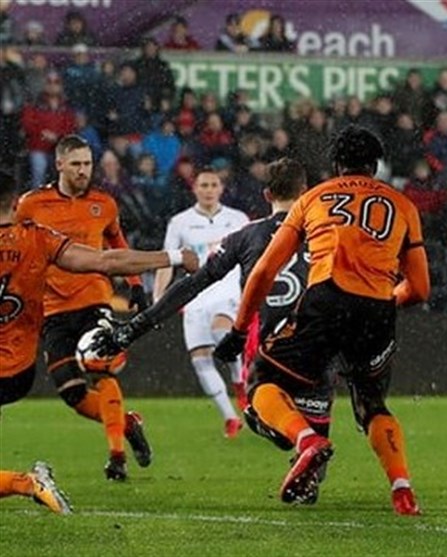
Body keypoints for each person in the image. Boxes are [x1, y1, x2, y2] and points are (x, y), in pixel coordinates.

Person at [90, 158, 336, 503]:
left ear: (266, 194)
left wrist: (132, 329)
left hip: (271, 346)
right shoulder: (330, 233)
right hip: (323, 344)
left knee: (263, 413)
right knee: (314, 447)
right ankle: (326, 458)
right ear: (306, 192)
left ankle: (298, 441)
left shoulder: (246, 234)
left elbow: (193, 283)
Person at [213, 125, 430, 514]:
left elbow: (264, 271)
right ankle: (402, 488)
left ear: (336, 164)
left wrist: (240, 329)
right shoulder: (403, 206)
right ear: (375, 165)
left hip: (326, 300)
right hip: (377, 310)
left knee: (264, 379)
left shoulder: (313, 198)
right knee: (372, 403)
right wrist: (385, 302)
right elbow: (420, 288)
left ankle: (307, 441)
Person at [0, 170, 197, 507]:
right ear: (16, 203)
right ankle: (33, 481)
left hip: (86, 307)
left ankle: (33, 482)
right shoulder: (37, 238)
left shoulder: (95, 205)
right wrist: (174, 256)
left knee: (98, 363)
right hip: (19, 371)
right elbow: (106, 260)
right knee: (74, 391)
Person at [153, 167, 250, 438]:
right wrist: (158, 298)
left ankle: (238, 381)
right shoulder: (180, 222)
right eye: (204, 185)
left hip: (227, 291)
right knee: (200, 359)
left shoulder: (238, 219)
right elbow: (167, 261)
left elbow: (252, 256)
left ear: (222, 188)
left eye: (213, 185)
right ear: (194, 189)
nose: (208, 190)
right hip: (195, 296)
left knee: (222, 331)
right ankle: (230, 418)